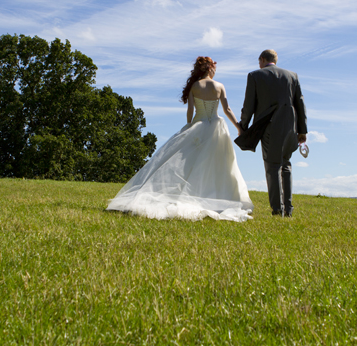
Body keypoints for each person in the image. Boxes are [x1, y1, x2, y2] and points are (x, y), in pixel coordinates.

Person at [106, 56, 254, 221]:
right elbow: (227, 109)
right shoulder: (219, 86)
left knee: (191, 163)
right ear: (210, 69)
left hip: (199, 125)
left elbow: (190, 112)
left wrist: (190, 127)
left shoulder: (194, 87)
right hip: (217, 128)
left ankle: (192, 194)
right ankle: (220, 197)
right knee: (221, 164)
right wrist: (238, 127)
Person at [239, 49, 307, 217]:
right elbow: (300, 103)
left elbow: (249, 104)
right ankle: (288, 210)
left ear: (262, 59)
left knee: (272, 167)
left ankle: (277, 210)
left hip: (269, 126)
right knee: (286, 165)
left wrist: (243, 125)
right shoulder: (292, 75)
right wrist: (303, 130)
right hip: (291, 127)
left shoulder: (255, 76)